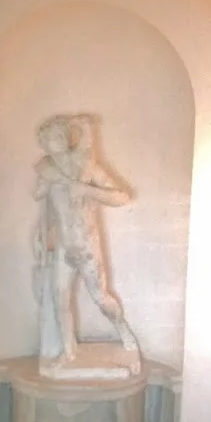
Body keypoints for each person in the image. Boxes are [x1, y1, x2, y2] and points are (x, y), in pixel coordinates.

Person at [32, 114, 139, 372]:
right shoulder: (47, 173)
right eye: (51, 137)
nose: (58, 140)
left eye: (61, 135)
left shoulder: (87, 168)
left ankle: (123, 330)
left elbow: (122, 197)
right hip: (63, 248)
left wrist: (87, 189)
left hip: (86, 246)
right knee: (60, 300)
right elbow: (46, 204)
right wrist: (41, 233)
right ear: (43, 144)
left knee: (101, 298)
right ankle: (69, 352)